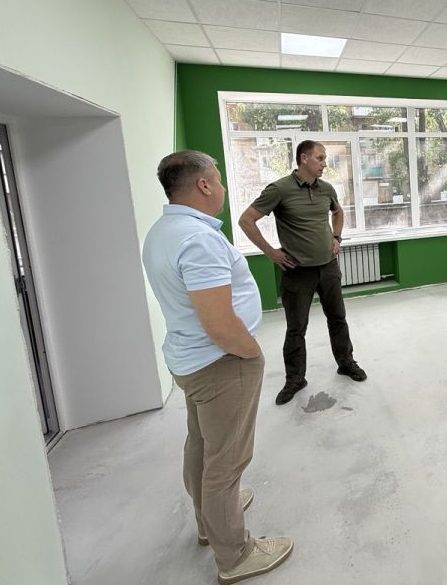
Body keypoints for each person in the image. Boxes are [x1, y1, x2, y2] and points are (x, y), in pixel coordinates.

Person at [141, 150, 293, 584]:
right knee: (227, 460)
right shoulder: (198, 239)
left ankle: (210, 520)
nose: (223, 187)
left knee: (202, 444)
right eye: (219, 179)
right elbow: (220, 324)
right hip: (220, 363)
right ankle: (236, 555)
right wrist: (251, 353)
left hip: (189, 359)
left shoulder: (163, 231)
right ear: (204, 184)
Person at [238, 140, 367, 406]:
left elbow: (338, 212)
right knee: (296, 328)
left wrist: (337, 237)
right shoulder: (279, 189)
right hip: (297, 273)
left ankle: (346, 363)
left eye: (324, 158)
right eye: (320, 158)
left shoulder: (326, 188)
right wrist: (270, 252)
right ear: (304, 158)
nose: (324, 163)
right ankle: (295, 379)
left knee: (338, 319)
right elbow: (246, 220)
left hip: (328, 267)